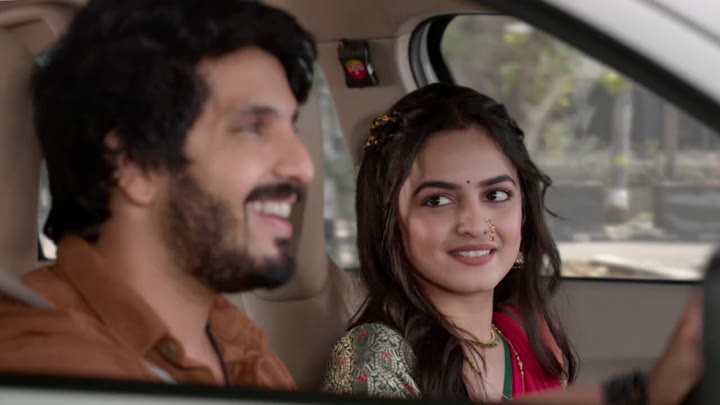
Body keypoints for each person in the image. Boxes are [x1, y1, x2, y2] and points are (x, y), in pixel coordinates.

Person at [0, 0, 316, 389]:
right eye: (254, 128)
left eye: (292, 128)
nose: (304, 167)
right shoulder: (49, 369)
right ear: (134, 164)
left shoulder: (241, 349)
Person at [321, 83, 702, 404]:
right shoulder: (376, 355)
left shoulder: (528, 338)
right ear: (388, 221)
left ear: (523, 212)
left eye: (496, 195)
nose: (475, 225)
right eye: (437, 200)